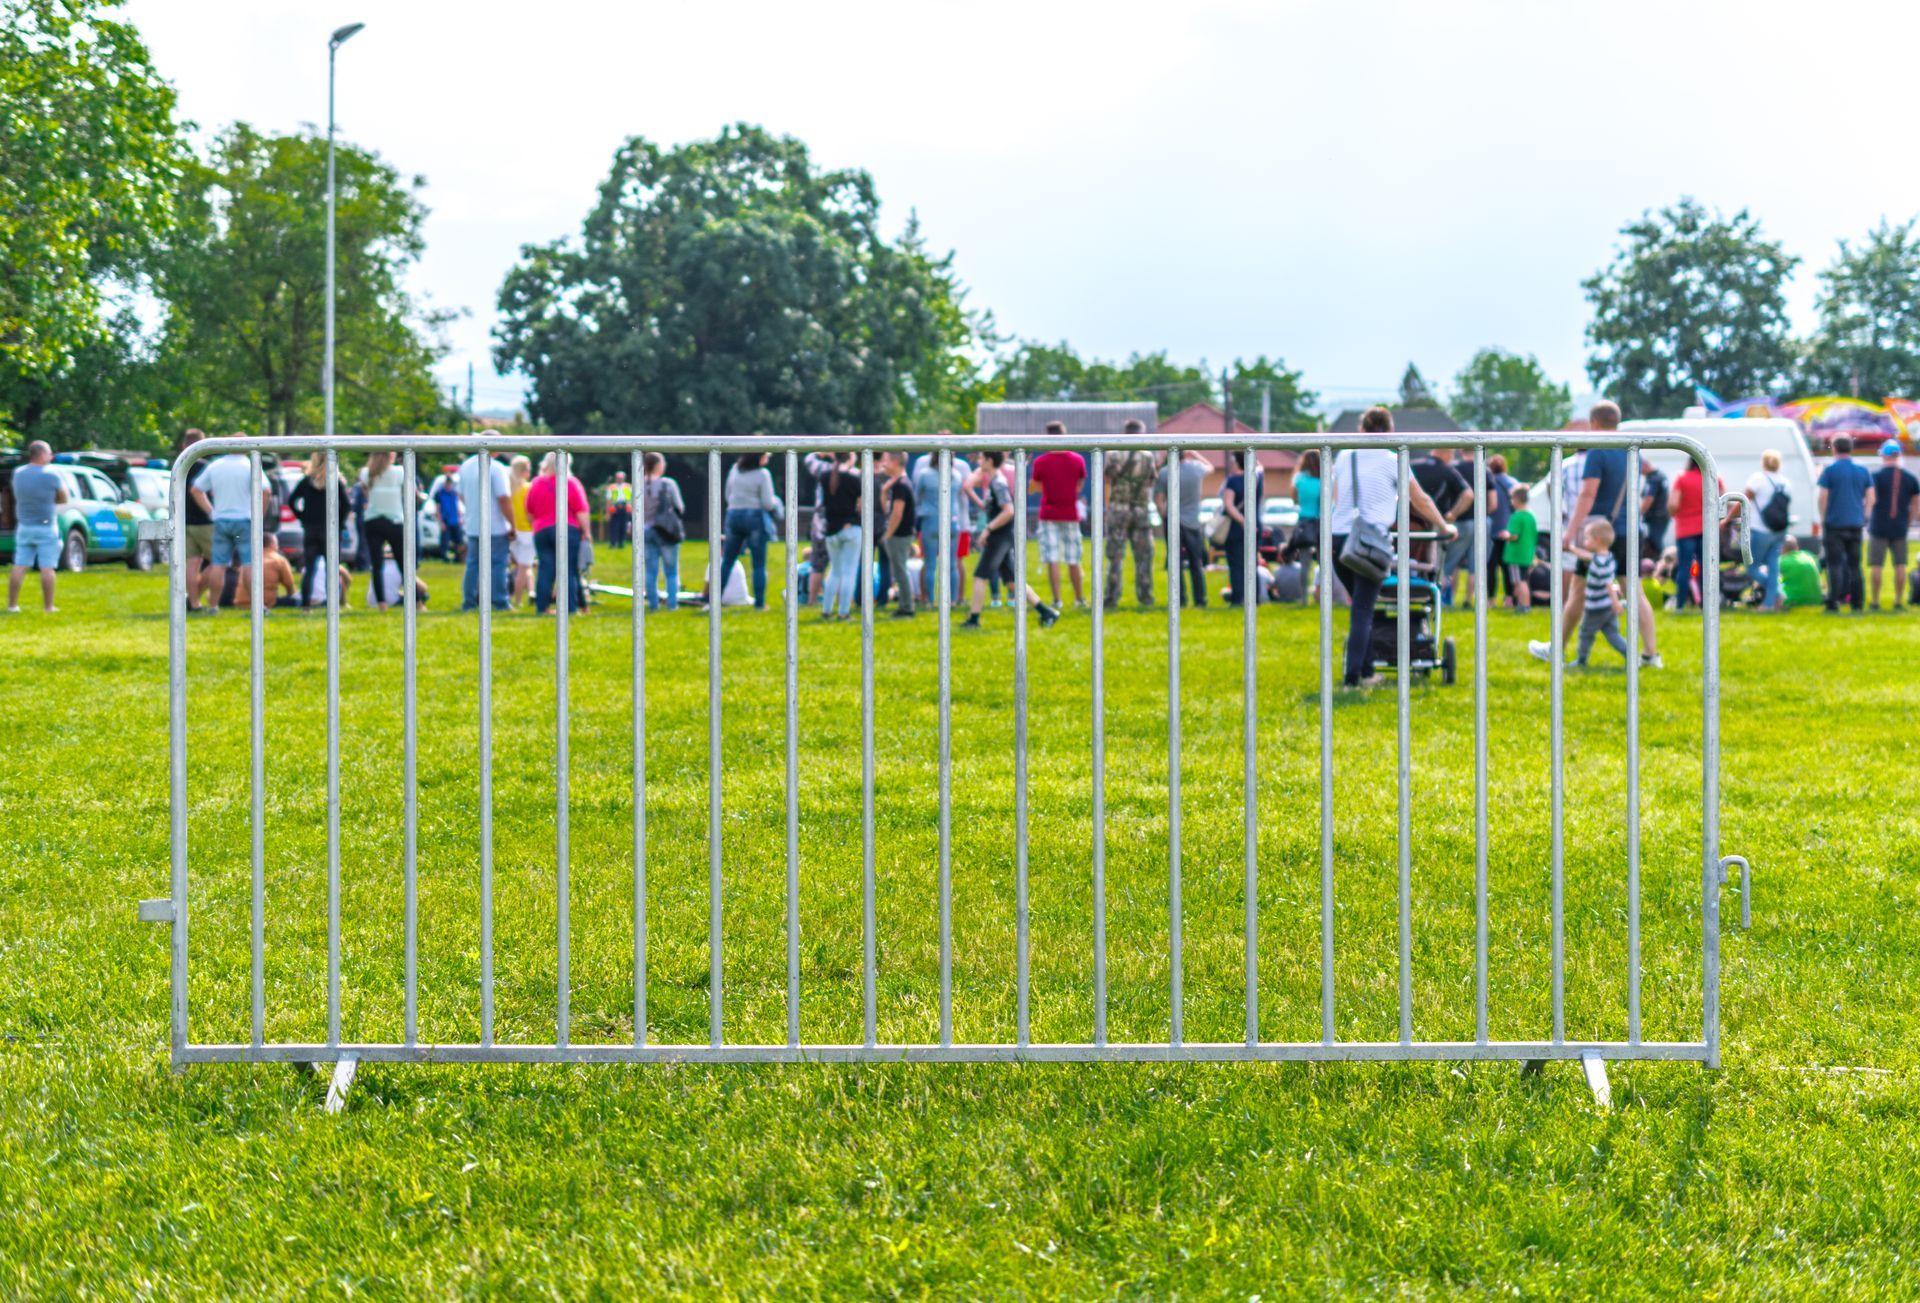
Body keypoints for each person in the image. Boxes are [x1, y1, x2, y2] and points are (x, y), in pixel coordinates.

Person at [1330, 408, 1455, 689]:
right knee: (1363, 609)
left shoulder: (1344, 457)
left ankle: (1365, 667)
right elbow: (1419, 499)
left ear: (1361, 430)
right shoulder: (1392, 460)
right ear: (1390, 431)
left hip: (1339, 539)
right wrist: (1444, 527)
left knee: (1360, 607)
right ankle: (1356, 677)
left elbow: (1338, 497)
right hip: (1371, 541)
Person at [1559, 402, 1662, 666]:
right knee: (1634, 592)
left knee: (1577, 593)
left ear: (1594, 423)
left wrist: (1570, 531)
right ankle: (1651, 653)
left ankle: (1557, 647)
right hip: (1630, 530)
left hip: (1601, 533)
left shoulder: (1597, 451)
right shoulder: (1631, 451)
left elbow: (1588, 493)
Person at [961, 450, 1059, 629]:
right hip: (1001, 536)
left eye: (982, 458)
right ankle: (1047, 612)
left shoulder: (998, 482)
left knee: (979, 576)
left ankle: (974, 620)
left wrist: (987, 530)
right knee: (1013, 582)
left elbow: (1009, 511)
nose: (979, 461)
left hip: (1001, 537)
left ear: (990, 461)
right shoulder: (994, 480)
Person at [191, 435, 275, 618]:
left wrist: (211, 511)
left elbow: (196, 489)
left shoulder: (215, 465)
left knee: (219, 564)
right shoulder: (250, 465)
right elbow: (266, 491)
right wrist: (259, 514)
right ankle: (257, 606)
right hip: (245, 520)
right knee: (249, 564)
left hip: (221, 519)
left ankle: (213, 605)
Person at [1531, 517, 1631, 666]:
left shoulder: (1599, 562)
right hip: (1606, 606)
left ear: (1597, 540)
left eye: (1586, 539)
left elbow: (1609, 584)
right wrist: (1571, 549)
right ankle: (1631, 656)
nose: (1584, 542)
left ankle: (1581, 661)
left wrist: (1616, 603)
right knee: (1612, 634)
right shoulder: (1607, 558)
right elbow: (1589, 558)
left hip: (1597, 607)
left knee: (1585, 633)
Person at [6, 440, 68, 614]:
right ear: (41, 454)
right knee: (47, 568)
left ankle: (12, 605)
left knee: (20, 565)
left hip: (24, 526)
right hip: (46, 526)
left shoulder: (18, 473)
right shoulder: (52, 474)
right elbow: (63, 497)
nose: (51, 456)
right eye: (49, 453)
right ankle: (48, 607)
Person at [1030, 424, 1086, 610]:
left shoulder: (1041, 462)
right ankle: (1079, 599)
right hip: (1070, 513)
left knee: (1052, 558)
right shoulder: (1077, 460)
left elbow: (1033, 487)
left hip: (1049, 514)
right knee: (1073, 558)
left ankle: (1057, 600)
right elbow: (1080, 484)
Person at [1816, 434, 1874, 613]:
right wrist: (1865, 516)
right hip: (1855, 523)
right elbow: (1871, 497)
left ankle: (1834, 601)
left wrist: (1824, 517)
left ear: (1834, 447)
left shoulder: (1830, 470)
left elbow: (1823, 497)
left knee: (1834, 564)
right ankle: (1857, 603)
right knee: (1854, 564)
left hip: (1835, 523)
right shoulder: (1862, 470)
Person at [527, 452, 589, 616]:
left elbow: (529, 513)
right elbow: (581, 511)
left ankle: (542, 608)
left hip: (541, 530)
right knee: (567, 569)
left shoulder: (536, 484)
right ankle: (570, 607)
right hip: (566, 528)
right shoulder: (570, 483)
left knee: (545, 569)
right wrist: (587, 531)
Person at [1103, 420, 1157, 608]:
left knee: (1115, 556)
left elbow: (1107, 481)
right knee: (1144, 556)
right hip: (1141, 510)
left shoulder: (1113, 454)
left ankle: (1111, 596)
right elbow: (1151, 481)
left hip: (1118, 509)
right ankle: (1145, 595)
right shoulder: (1148, 456)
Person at [287, 451, 350, 610]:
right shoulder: (335, 482)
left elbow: (291, 501)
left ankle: (305, 605)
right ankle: (333, 604)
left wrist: (302, 517)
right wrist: (339, 522)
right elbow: (347, 506)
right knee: (332, 569)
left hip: (311, 529)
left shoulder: (307, 482)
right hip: (330, 529)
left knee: (310, 569)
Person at [1411, 448, 1474, 606]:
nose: (1452, 458)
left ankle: (1406, 594)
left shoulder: (1412, 465)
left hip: (1408, 523)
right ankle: (1435, 599)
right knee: (1435, 564)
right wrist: (1452, 514)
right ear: (1445, 452)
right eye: (1451, 454)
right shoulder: (1447, 471)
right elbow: (1468, 495)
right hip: (1434, 524)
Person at [718, 452, 781, 611]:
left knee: (727, 561)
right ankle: (759, 604)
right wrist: (776, 502)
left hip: (733, 515)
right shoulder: (763, 474)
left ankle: (714, 600)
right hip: (754, 517)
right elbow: (767, 503)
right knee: (758, 564)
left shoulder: (734, 470)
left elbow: (727, 495)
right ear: (759, 457)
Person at [911, 443, 971, 605]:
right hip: (952, 522)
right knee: (952, 564)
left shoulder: (925, 474)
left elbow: (917, 497)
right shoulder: (956, 475)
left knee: (930, 563)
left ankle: (930, 600)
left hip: (930, 521)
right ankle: (952, 600)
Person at [458, 449, 514, 611]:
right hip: (495, 525)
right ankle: (500, 601)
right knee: (498, 564)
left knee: (473, 564)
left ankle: (469, 601)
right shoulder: (496, 468)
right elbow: (503, 498)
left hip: (473, 524)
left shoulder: (465, 466)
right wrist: (512, 523)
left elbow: (461, 495)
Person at [1154, 449, 1210, 607]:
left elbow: (1159, 499)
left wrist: (1163, 515)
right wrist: (1196, 453)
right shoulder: (1196, 469)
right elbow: (1210, 467)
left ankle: (1180, 600)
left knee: (1175, 562)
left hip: (1173, 521)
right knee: (1196, 563)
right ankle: (1200, 600)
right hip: (1193, 522)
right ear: (1185, 455)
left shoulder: (1165, 473)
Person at [1668, 457, 1723, 615]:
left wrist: (1676, 514)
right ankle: (1706, 605)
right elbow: (1724, 502)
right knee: (1706, 567)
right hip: (1707, 528)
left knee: (1684, 568)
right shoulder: (1714, 478)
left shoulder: (1682, 478)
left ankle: (1680, 604)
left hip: (1685, 529)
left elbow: (1673, 504)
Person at [1868, 440, 1917, 611]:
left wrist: (1868, 516)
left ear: (1883, 455)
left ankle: (1875, 601)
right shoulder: (1910, 478)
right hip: (1900, 526)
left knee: (1876, 565)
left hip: (1878, 525)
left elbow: (1870, 499)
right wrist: (1908, 521)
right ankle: (1898, 601)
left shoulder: (1875, 477)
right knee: (1900, 564)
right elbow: (1916, 504)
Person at [359, 451, 410, 611]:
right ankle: (416, 600)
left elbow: (365, 492)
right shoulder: (398, 472)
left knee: (376, 564)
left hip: (372, 520)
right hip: (394, 520)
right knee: (403, 563)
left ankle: (381, 603)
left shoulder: (366, 473)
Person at [1743, 449, 1790, 612]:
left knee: (1752, 567)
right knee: (1773, 567)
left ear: (1764, 462)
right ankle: (1769, 603)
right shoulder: (1785, 482)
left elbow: (1743, 500)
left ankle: (1777, 593)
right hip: (1779, 530)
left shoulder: (1758, 479)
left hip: (1761, 530)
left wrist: (1727, 518)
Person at [816, 452, 863, 620]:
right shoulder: (854, 478)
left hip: (831, 529)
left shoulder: (825, 476)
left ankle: (826, 610)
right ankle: (844, 612)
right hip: (851, 528)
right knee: (849, 572)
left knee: (835, 571)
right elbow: (862, 504)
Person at [641, 452, 686, 612]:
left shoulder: (639, 484)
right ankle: (672, 604)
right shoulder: (668, 484)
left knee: (650, 571)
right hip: (666, 531)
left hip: (645, 530)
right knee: (671, 570)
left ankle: (653, 605)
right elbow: (680, 507)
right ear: (658, 465)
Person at [1221, 450, 1265, 606]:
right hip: (1256, 525)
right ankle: (1255, 599)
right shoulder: (1258, 477)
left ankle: (1238, 599)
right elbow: (1260, 466)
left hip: (1236, 528)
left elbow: (1228, 505)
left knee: (1236, 565)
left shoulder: (1233, 481)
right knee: (1252, 563)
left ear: (1237, 462)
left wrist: (1242, 520)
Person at [177, 430, 214, 612]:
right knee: (220, 561)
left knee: (192, 564)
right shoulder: (206, 467)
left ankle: (193, 603)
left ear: (184, 445)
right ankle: (197, 594)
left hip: (185, 521)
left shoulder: (178, 466)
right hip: (205, 521)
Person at [878, 451, 917, 618]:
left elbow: (897, 514)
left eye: (887, 460)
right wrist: (884, 492)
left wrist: (888, 534)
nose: (884, 464)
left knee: (900, 571)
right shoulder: (898, 484)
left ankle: (907, 607)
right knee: (899, 570)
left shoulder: (901, 486)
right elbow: (886, 509)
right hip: (899, 533)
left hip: (900, 535)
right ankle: (905, 605)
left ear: (895, 462)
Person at [1281, 449, 1322, 602]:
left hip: (1304, 522)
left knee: (1304, 563)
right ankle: (1322, 596)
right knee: (1323, 562)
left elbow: (1295, 500)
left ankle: (1303, 597)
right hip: (1320, 522)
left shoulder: (1299, 479)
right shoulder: (1324, 480)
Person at [230, 531, 299, 609]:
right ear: (272, 544)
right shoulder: (278, 560)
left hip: (240, 602)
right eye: (276, 543)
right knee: (298, 600)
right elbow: (289, 586)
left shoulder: (249, 559)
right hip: (265, 603)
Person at [1502, 483, 1537, 612]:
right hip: (1527, 553)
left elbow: (1514, 536)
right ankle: (1523, 604)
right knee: (1523, 580)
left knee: (1519, 581)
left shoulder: (1516, 516)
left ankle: (1524, 605)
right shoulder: (1531, 516)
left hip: (1516, 554)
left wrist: (1505, 535)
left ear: (1516, 499)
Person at [507, 456, 536, 607]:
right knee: (523, 568)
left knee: (523, 565)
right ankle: (517, 600)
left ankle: (531, 592)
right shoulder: (528, 488)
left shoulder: (509, 488)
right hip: (527, 530)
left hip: (513, 531)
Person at [1778, 535, 1825, 607]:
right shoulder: (1809, 555)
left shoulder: (1781, 561)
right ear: (1797, 547)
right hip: (1817, 599)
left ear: (1782, 549)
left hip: (1793, 600)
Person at [430, 464, 464, 562]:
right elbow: (437, 509)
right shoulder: (439, 494)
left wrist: (460, 517)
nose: (449, 485)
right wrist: (441, 522)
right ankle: (444, 557)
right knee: (445, 541)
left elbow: (457, 506)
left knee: (458, 541)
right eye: (447, 483)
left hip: (455, 520)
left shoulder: (454, 493)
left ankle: (458, 557)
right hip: (445, 520)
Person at [1639, 456, 1671, 558]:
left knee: (1655, 541)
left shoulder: (1653, 479)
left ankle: (1663, 562)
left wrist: (1639, 514)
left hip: (1655, 516)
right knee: (1657, 540)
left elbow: (1648, 498)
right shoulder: (1661, 476)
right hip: (1663, 515)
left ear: (1645, 465)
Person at [605, 471, 634, 550]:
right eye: (618, 478)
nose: (619, 479)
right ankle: (613, 543)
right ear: (616, 478)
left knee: (624, 526)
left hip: (626, 508)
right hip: (615, 508)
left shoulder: (629, 486)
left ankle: (621, 543)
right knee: (614, 526)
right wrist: (607, 512)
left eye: (621, 478)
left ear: (624, 478)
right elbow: (608, 500)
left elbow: (633, 498)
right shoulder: (611, 487)